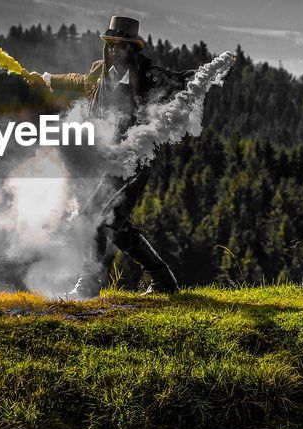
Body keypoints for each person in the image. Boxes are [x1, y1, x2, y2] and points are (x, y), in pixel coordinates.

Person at [29, 16, 192, 296]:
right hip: (105, 159)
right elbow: (79, 81)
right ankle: (164, 282)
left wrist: (200, 79)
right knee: (115, 226)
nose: (115, 51)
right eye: (112, 45)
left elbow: (180, 82)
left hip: (132, 164)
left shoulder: (149, 77)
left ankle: (89, 285)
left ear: (133, 50)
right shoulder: (100, 72)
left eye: (122, 46)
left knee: (94, 217)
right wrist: (46, 79)